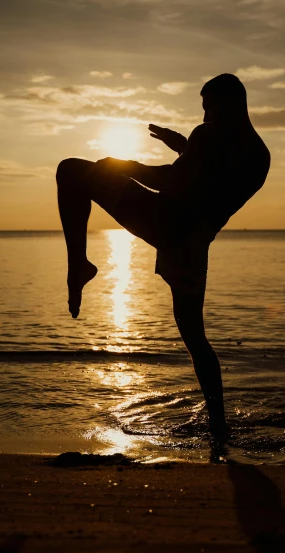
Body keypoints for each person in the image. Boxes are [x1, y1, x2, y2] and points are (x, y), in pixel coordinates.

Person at [56, 73, 270, 441]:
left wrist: (123, 165)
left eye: (208, 107)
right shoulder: (258, 154)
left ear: (226, 103)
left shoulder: (210, 135)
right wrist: (186, 148)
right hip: (192, 246)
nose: (203, 115)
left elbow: (172, 182)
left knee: (72, 170)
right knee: (195, 338)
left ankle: (79, 263)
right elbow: (210, 182)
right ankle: (219, 424)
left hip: (162, 218)